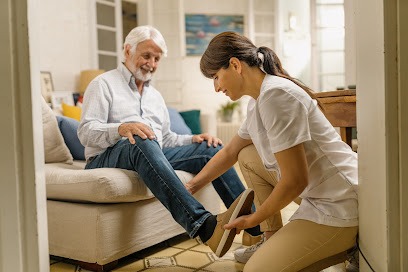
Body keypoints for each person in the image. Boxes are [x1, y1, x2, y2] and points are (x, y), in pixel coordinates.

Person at [77, 25, 259, 257]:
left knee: (210, 148)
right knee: (140, 138)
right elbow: (85, 132)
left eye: (156, 58)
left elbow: (166, 139)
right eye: (146, 55)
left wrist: (194, 138)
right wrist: (122, 128)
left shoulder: (155, 96)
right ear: (127, 51)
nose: (151, 64)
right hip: (104, 157)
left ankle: (256, 229)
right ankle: (204, 227)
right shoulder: (103, 84)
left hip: (148, 151)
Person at [185, 31, 358, 271]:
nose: (216, 88)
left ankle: (350, 246)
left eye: (216, 77)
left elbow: (295, 181)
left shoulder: (276, 96)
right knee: (246, 155)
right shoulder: (258, 100)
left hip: (338, 203)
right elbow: (230, 152)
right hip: (317, 192)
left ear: (234, 65)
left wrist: (253, 219)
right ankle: (271, 237)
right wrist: (192, 186)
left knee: (256, 270)